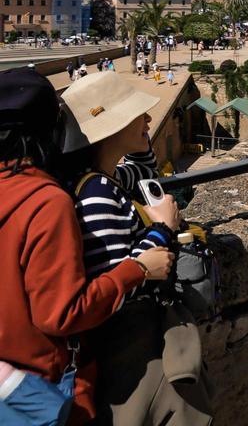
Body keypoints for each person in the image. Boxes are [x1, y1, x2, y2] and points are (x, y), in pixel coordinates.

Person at [0, 68, 175, 426]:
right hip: (46, 388)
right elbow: (61, 313)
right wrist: (140, 266)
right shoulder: (46, 202)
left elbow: (141, 173)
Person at [60, 72, 213, 424]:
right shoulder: (97, 193)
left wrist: (142, 144)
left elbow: (144, 176)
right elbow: (117, 286)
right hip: (128, 351)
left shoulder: (107, 176)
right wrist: (163, 228)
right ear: (110, 128)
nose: (148, 119)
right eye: (137, 115)